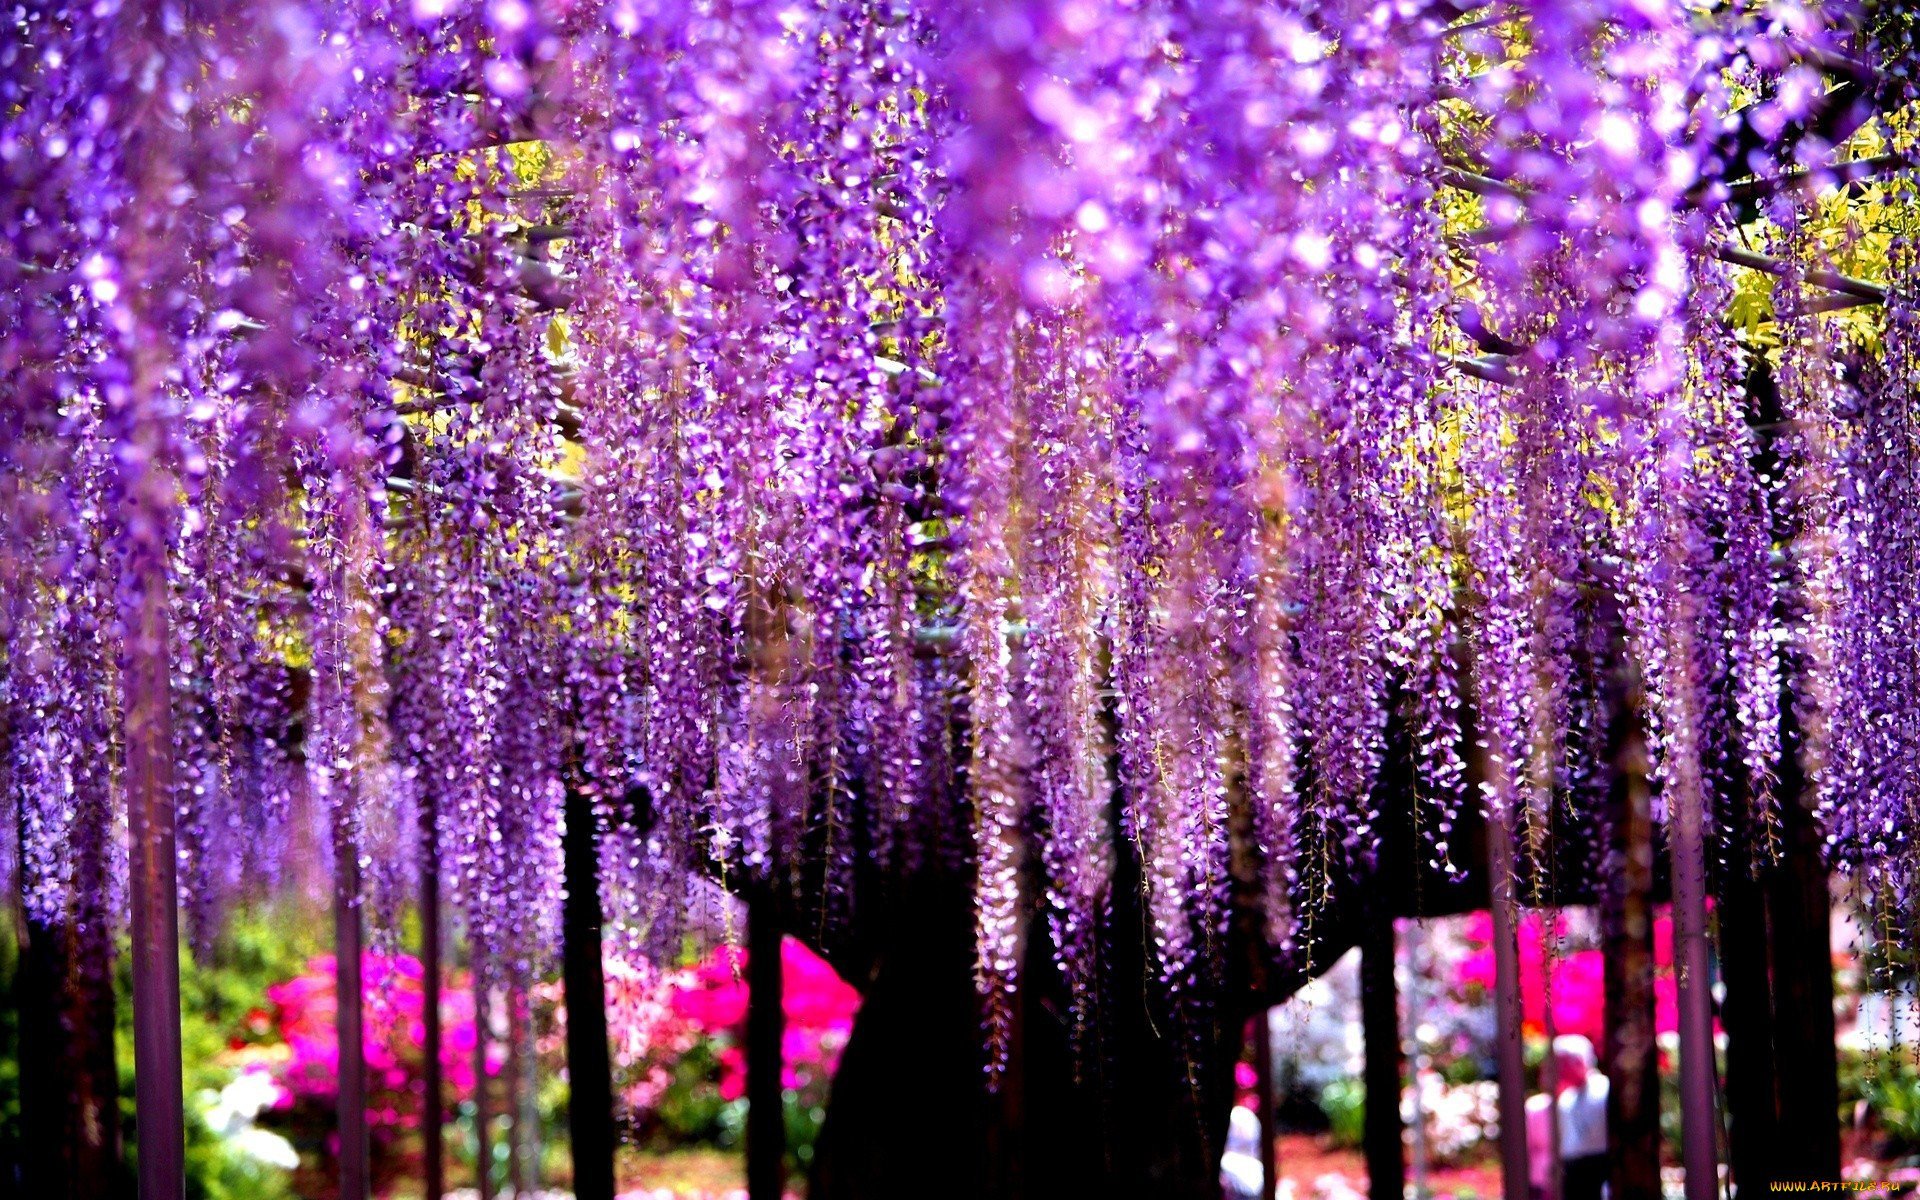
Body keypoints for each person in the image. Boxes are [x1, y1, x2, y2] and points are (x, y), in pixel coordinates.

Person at [1524, 1035, 1610, 1200]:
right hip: (1572, 1174)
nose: (1551, 1069)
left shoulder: (1604, 1091)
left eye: (1558, 1063)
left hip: (1596, 1171)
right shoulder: (1567, 1099)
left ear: (1577, 1062)